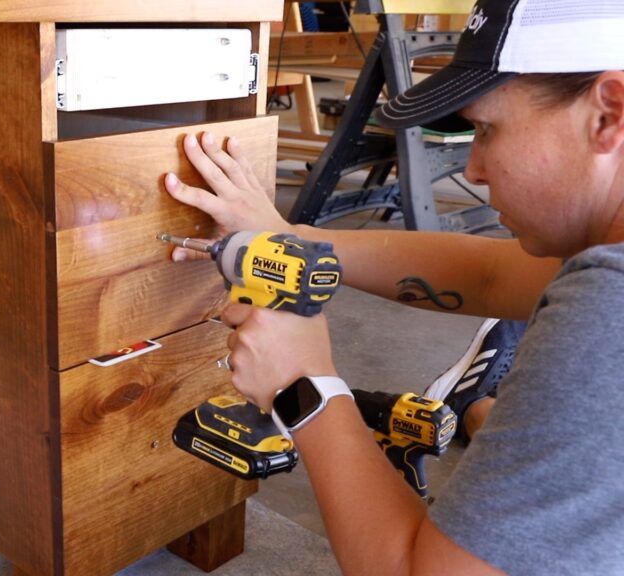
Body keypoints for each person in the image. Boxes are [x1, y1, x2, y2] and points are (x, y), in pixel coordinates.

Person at [162, 1, 624, 573]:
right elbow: (489, 274)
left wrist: (302, 387)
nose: (474, 169)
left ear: (609, 114)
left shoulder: (609, 311)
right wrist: (289, 238)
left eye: (485, 129)